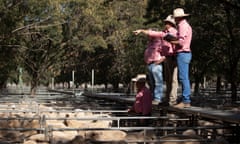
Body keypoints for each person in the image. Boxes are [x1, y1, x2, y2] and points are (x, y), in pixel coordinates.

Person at [133, 28, 165, 105]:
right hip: (150, 64)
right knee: (152, 83)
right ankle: (153, 98)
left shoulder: (159, 41)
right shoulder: (150, 43)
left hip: (156, 64)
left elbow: (164, 54)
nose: (149, 35)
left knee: (158, 82)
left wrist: (158, 62)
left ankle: (157, 98)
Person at [170, 8, 192, 108]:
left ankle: (186, 100)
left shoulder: (182, 26)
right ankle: (185, 99)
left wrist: (171, 41)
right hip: (185, 53)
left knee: (183, 78)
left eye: (175, 18)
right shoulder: (185, 25)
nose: (174, 20)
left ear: (178, 17)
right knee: (184, 77)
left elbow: (181, 42)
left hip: (183, 53)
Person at [161, 15, 178, 106]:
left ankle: (172, 99)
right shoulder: (164, 32)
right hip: (166, 57)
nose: (165, 24)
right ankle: (167, 98)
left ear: (171, 24)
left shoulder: (174, 32)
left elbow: (176, 43)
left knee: (174, 79)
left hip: (173, 56)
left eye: (167, 23)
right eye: (165, 22)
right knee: (167, 79)